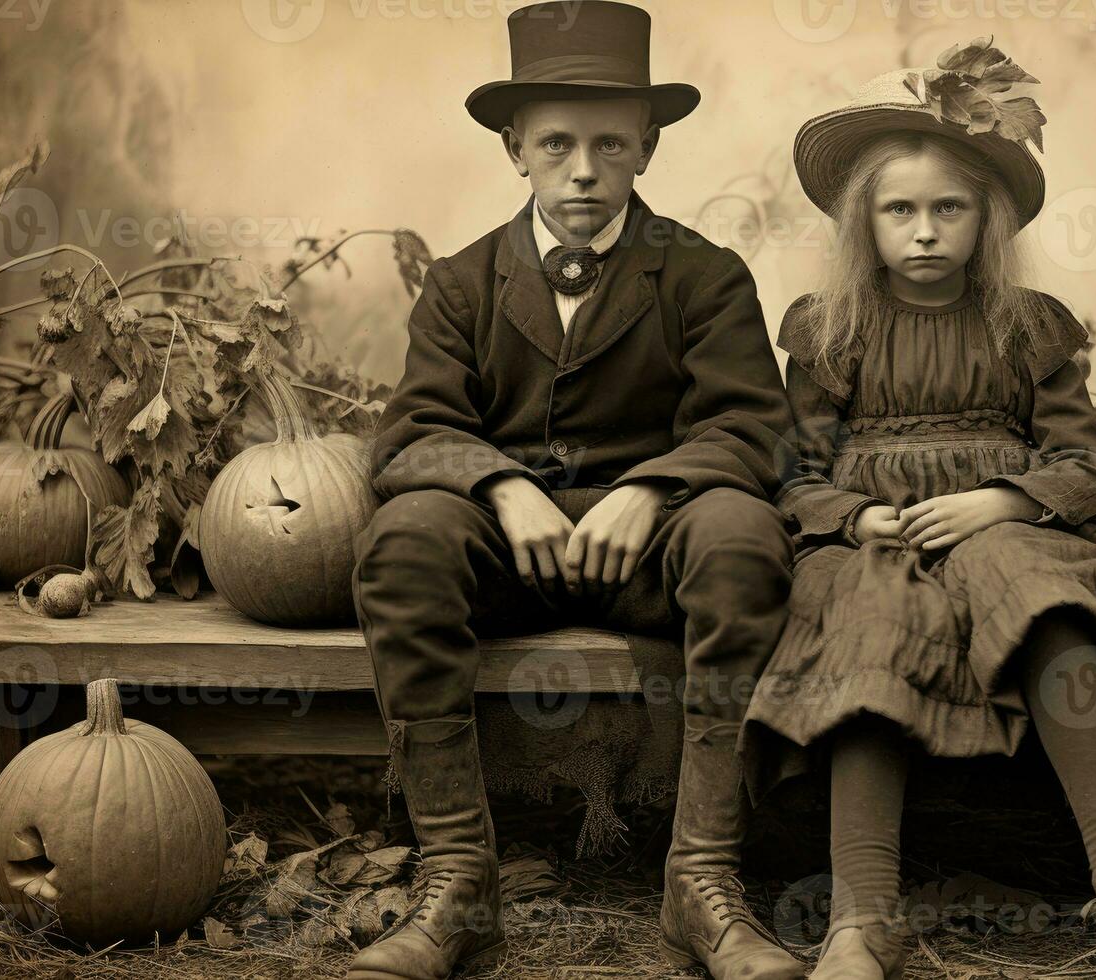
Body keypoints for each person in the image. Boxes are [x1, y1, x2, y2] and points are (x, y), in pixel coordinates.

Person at [350, 4, 805, 978]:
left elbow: (756, 429)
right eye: (557, 142)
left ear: (648, 143)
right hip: (505, 556)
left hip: (652, 555)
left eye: (610, 142)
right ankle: (458, 882)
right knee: (406, 536)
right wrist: (500, 483)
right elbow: (413, 435)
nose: (585, 170)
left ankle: (703, 880)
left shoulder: (704, 275)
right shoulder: (463, 284)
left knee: (740, 533)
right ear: (516, 148)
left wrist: (653, 487)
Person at [738, 39, 1096, 980]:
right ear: (862, 223)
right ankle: (861, 918)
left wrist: (998, 502)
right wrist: (854, 519)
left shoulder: (1026, 325)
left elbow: (1083, 466)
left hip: (1006, 528)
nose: (923, 231)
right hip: (878, 537)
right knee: (869, 621)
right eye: (897, 210)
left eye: (948, 208)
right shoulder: (828, 333)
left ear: (984, 219)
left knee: (1040, 599)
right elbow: (794, 474)